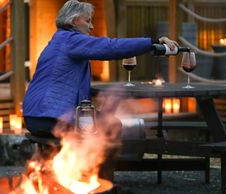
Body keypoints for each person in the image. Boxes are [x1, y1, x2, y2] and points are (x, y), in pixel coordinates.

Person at [23, 0, 179, 138]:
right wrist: (152, 43)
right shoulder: (71, 40)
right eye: (88, 20)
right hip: (51, 118)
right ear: (74, 21)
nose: (91, 26)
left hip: (34, 117)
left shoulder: (58, 41)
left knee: (102, 120)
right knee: (111, 126)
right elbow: (111, 47)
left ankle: (84, 169)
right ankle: (99, 171)